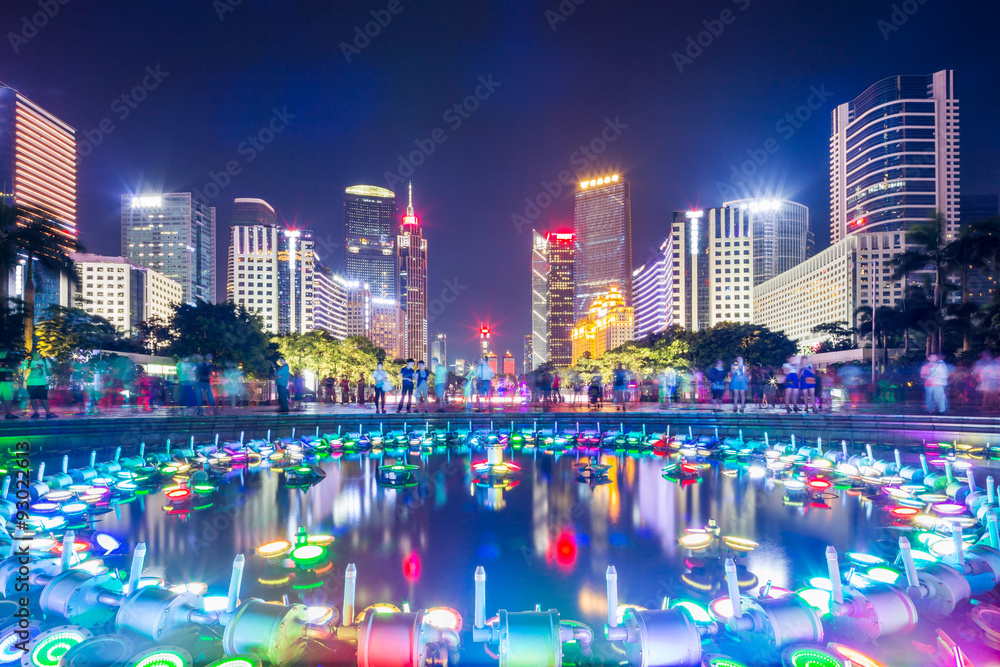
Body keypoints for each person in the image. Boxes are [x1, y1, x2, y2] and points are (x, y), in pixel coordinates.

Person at [23, 350, 55, 419]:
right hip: (31, 383)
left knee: (44, 398)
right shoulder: (27, 361)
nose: (38, 354)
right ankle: (36, 412)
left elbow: (49, 372)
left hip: (42, 383)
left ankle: (48, 413)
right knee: (33, 398)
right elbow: (24, 371)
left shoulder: (44, 361)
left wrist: (49, 370)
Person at [0, 346, 20, 419]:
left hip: (8, 381)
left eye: (4, 352)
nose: (2, 354)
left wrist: (9, 369)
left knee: (8, 398)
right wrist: (2, 369)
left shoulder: (10, 361)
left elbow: (16, 370)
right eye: (1, 352)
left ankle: (8, 413)